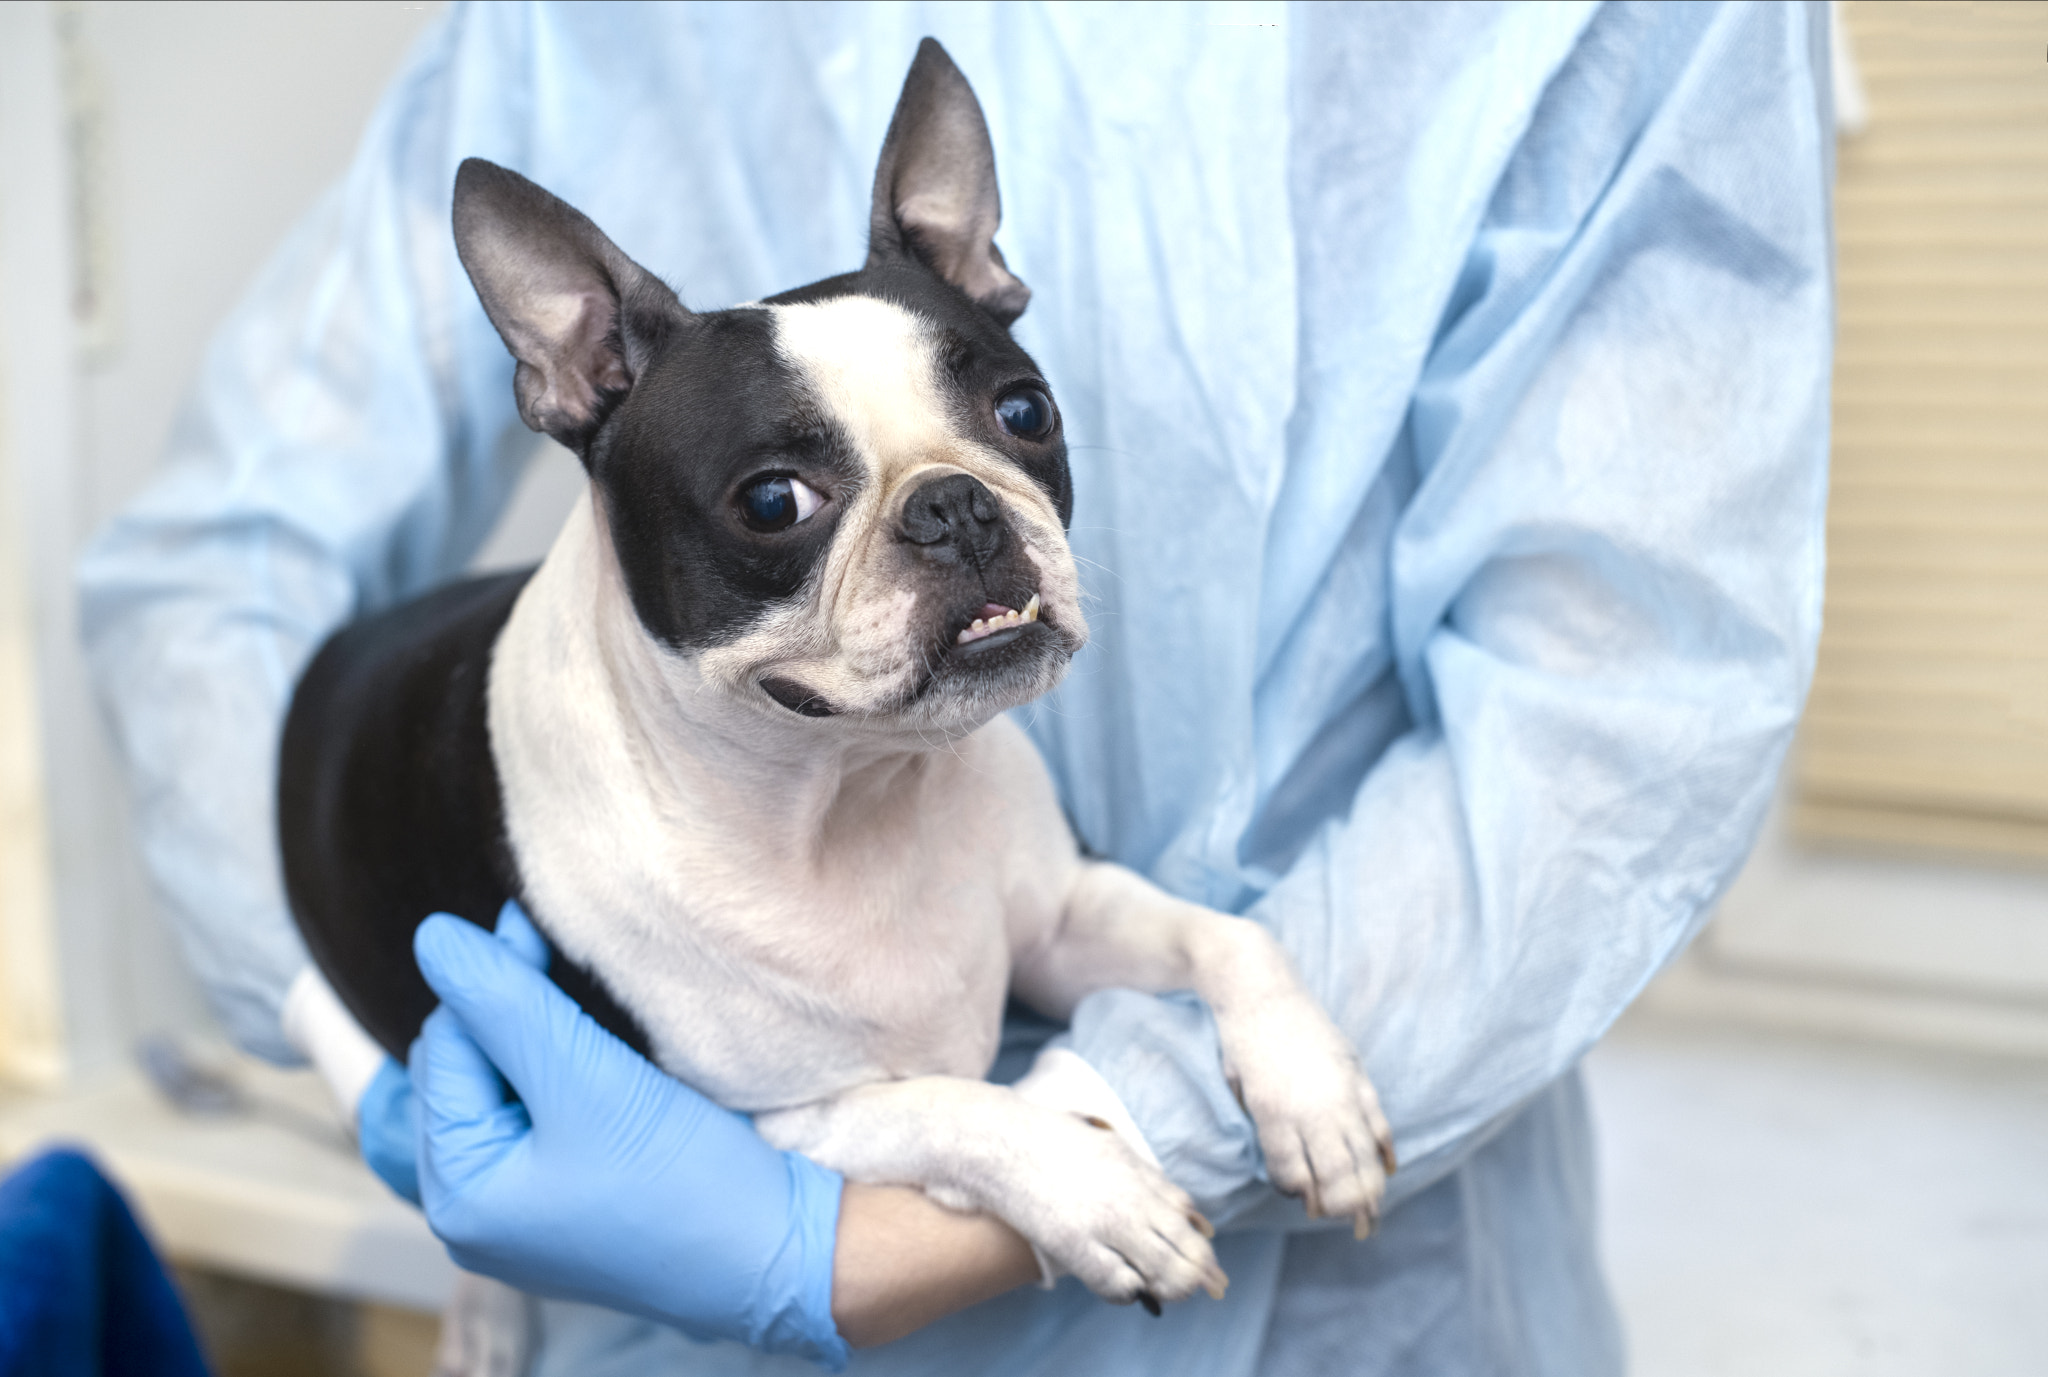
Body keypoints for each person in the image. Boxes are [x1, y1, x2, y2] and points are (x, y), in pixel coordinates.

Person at [77, 3, 1835, 1374]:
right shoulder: (569, 25)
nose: (962, 524)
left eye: (1006, 421)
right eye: (783, 502)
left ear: (982, 269)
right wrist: (332, 1031)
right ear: (575, 376)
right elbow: (209, 573)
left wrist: (1128, 1111)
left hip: (1362, 1298)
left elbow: (1618, 706)